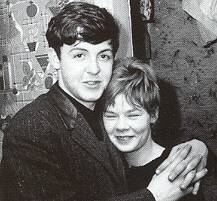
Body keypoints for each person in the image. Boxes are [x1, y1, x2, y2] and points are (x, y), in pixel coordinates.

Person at [0, 2, 208, 201]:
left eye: (104, 56)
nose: (94, 69)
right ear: (55, 59)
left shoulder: (106, 108)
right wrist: (154, 196)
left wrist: (198, 149)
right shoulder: (31, 128)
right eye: (80, 55)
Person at [102, 57, 206, 200]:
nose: (121, 126)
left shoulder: (177, 169)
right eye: (111, 116)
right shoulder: (103, 169)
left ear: (153, 115)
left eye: (133, 115)